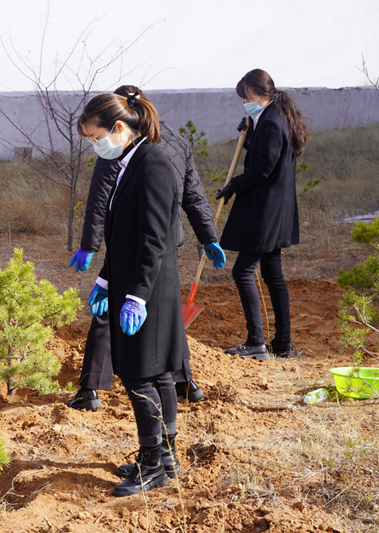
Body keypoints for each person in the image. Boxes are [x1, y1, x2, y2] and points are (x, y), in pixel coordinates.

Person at [67, 85, 224, 409]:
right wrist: (208, 235)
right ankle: (186, 381)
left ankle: (91, 387)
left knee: (110, 312)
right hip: (167, 248)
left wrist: (90, 245)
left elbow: (101, 200)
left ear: (122, 119)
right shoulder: (176, 142)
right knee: (166, 316)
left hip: (133, 246)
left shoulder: (125, 147)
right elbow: (193, 193)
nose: (96, 143)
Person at [76, 92, 186, 497]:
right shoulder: (130, 161)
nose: (94, 144)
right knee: (156, 375)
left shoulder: (152, 165)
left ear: (119, 128)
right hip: (135, 281)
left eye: (95, 136)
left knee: (141, 375)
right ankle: (164, 456)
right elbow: (124, 236)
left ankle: (153, 464)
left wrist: (137, 295)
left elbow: (154, 240)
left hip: (150, 289)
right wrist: (107, 278)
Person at [215, 69, 308, 360]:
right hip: (277, 209)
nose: (245, 101)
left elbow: (263, 168)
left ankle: (256, 341)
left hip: (265, 211)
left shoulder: (270, 122)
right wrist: (250, 128)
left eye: (248, 97)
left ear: (264, 95)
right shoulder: (275, 117)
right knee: (272, 274)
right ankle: (282, 343)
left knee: (242, 271)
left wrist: (233, 185)